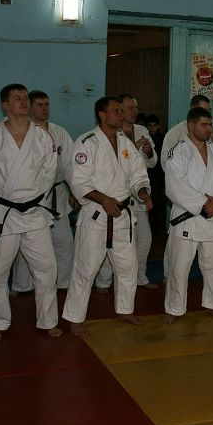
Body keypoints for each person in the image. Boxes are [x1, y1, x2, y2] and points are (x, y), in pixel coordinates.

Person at [0, 84, 62, 341]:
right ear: (5, 105)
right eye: (17, 98)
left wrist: (36, 198)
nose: (24, 101)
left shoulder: (43, 136)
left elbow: (50, 173)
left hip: (35, 211)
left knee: (47, 268)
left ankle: (48, 320)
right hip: (4, 212)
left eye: (25, 98)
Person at [62, 97, 153, 336]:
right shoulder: (86, 143)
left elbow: (138, 175)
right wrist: (104, 199)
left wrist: (143, 192)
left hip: (122, 214)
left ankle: (125, 309)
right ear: (102, 115)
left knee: (128, 267)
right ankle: (74, 317)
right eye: (116, 111)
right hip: (96, 215)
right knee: (85, 269)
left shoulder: (125, 143)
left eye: (122, 111)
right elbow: (78, 181)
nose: (121, 114)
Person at [163, 106, 213, 323]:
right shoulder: (178, 151)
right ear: (190, 126)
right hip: (187, 219)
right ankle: (174, 308)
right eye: (204, 125)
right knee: (179, 268)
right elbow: (174, 187)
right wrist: (205, 202)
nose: (208, 129)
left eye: (210, 125)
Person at [11, 90, 76, 293]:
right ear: (30, 107)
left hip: (58, 194)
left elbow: (70, 166)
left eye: (47, 104)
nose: (45, 108)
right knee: (26, 245)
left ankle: (63, 283)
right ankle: (23, 286)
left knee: (64, 242)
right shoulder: (22, 132)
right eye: (39, 105)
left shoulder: (60, 133)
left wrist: (75, 191)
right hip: (30, 196)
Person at [93, 94, 159, 291]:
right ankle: (104, 281)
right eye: (129, 108)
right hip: (116, 195)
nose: (133, 111)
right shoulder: (111, 132)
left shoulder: (142, 130)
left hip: (139, 194)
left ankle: (140, 276)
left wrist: (148, 151)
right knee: (111, 239)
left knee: (144, 239)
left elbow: (152, 163)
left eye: (135, 107)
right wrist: (135, 150)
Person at [161, 94, 213, 160]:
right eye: (203, 110)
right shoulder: (175, 133)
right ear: (193, 110)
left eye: (209, 110)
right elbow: (166, 160)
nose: (207, 113)